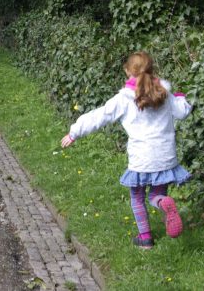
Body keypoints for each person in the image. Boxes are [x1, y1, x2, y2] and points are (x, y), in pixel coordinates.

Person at [60, 51, 192, 250]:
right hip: (165, 156)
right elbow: (182, 112)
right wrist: (181, 98)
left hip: (141, 159)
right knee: (156, 195)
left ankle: (145, 238)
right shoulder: (164, 92)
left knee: (137, 198)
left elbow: (99, 116)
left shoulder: (123, 99)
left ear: (129, 72)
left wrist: (74, 133)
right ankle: (163, 202)